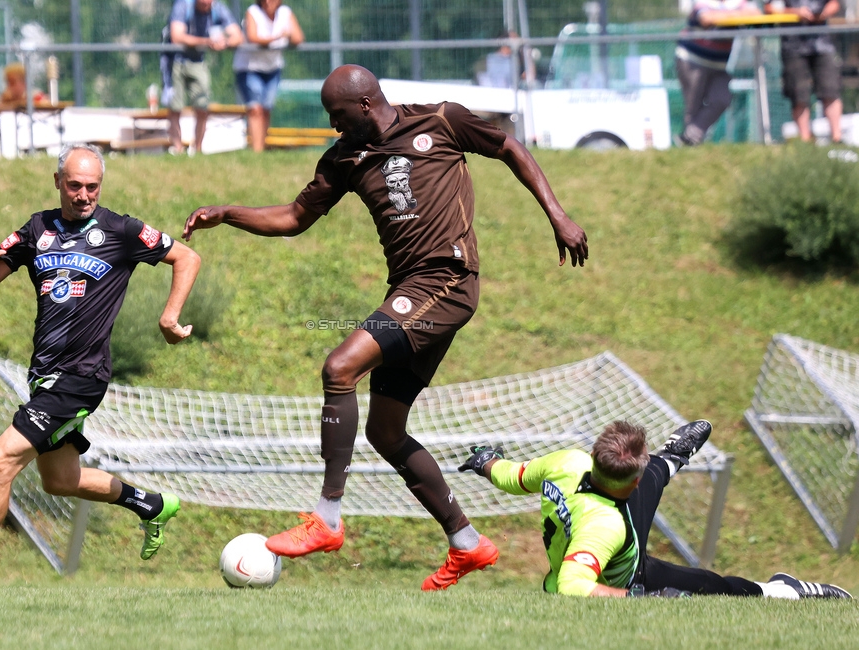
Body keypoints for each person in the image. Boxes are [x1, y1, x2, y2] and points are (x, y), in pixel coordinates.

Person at [183, 64, 588, 591]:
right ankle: (467, 542)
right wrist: (228, 213)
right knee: (384, 430)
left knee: (339, 366)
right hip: (409, 290)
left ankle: (326, 518)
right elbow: (292, 217)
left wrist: (557, 214)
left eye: (339, 115)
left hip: (447, 280)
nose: (333, 127)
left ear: (368, 104)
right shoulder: (345, 158)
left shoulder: (442, 121)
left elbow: (509, 147)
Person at [0, 144, 202, 591]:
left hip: (81, 377)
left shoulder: (122, 230)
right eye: (75, 185)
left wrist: (169, 316)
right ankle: (151, 505)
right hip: (45, 376)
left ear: (101, 185)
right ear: (57, 181)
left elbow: (187, 258)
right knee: (60, 480)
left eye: (92, 186)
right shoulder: (36, 228)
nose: (83, 195)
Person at [458, 419, 853, 599]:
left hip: (605, 517)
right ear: (629, 483)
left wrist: (485, 462)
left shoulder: (567, 463)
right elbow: (572, 586)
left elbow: (514, 476)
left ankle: (671, 456)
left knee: (653, 479)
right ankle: (783, 590)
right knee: (717, 588)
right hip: (626, 577)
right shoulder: (606, 525)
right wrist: (642, 599)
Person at [674, 0, 761, 146]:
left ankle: (689, 138)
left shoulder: (738, 3)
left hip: (719, 65)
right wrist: (736, 16)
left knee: (722, 99)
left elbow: (755, 14)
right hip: (692, 60)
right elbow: (706, 19)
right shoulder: (703, 2)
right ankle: (690, 146)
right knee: (693, 106)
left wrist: (723, 15)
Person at [166, 0, 244, 154]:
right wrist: (207, 42)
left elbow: (238, 36)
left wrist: (224, 42)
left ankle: (198, 149)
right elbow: (177, 36)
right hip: (175, 60)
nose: (207, 5)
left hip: (198, 61)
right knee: (175, 107)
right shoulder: (183, 6)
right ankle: (178, 149)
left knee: (202, 106)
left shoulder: (218, 8)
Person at [765, 0, 843, 143]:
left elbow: (835, 3)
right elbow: (769, 8)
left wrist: (823, 13)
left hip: (822, 45)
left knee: (830, 91)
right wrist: (795, 12)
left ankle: (837, 138)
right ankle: (805, 141)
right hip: (793, 47)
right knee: (798, 94)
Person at [233, 0, 305, 152]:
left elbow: (298, 38)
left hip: (273, 68)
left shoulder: (285, 12)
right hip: (249, 68)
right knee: (255, 109)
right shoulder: (252, 12)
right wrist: (279, 37)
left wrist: (288, 36)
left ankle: (261, 148)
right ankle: (257, 150)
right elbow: (253, 37)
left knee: (266, 109)